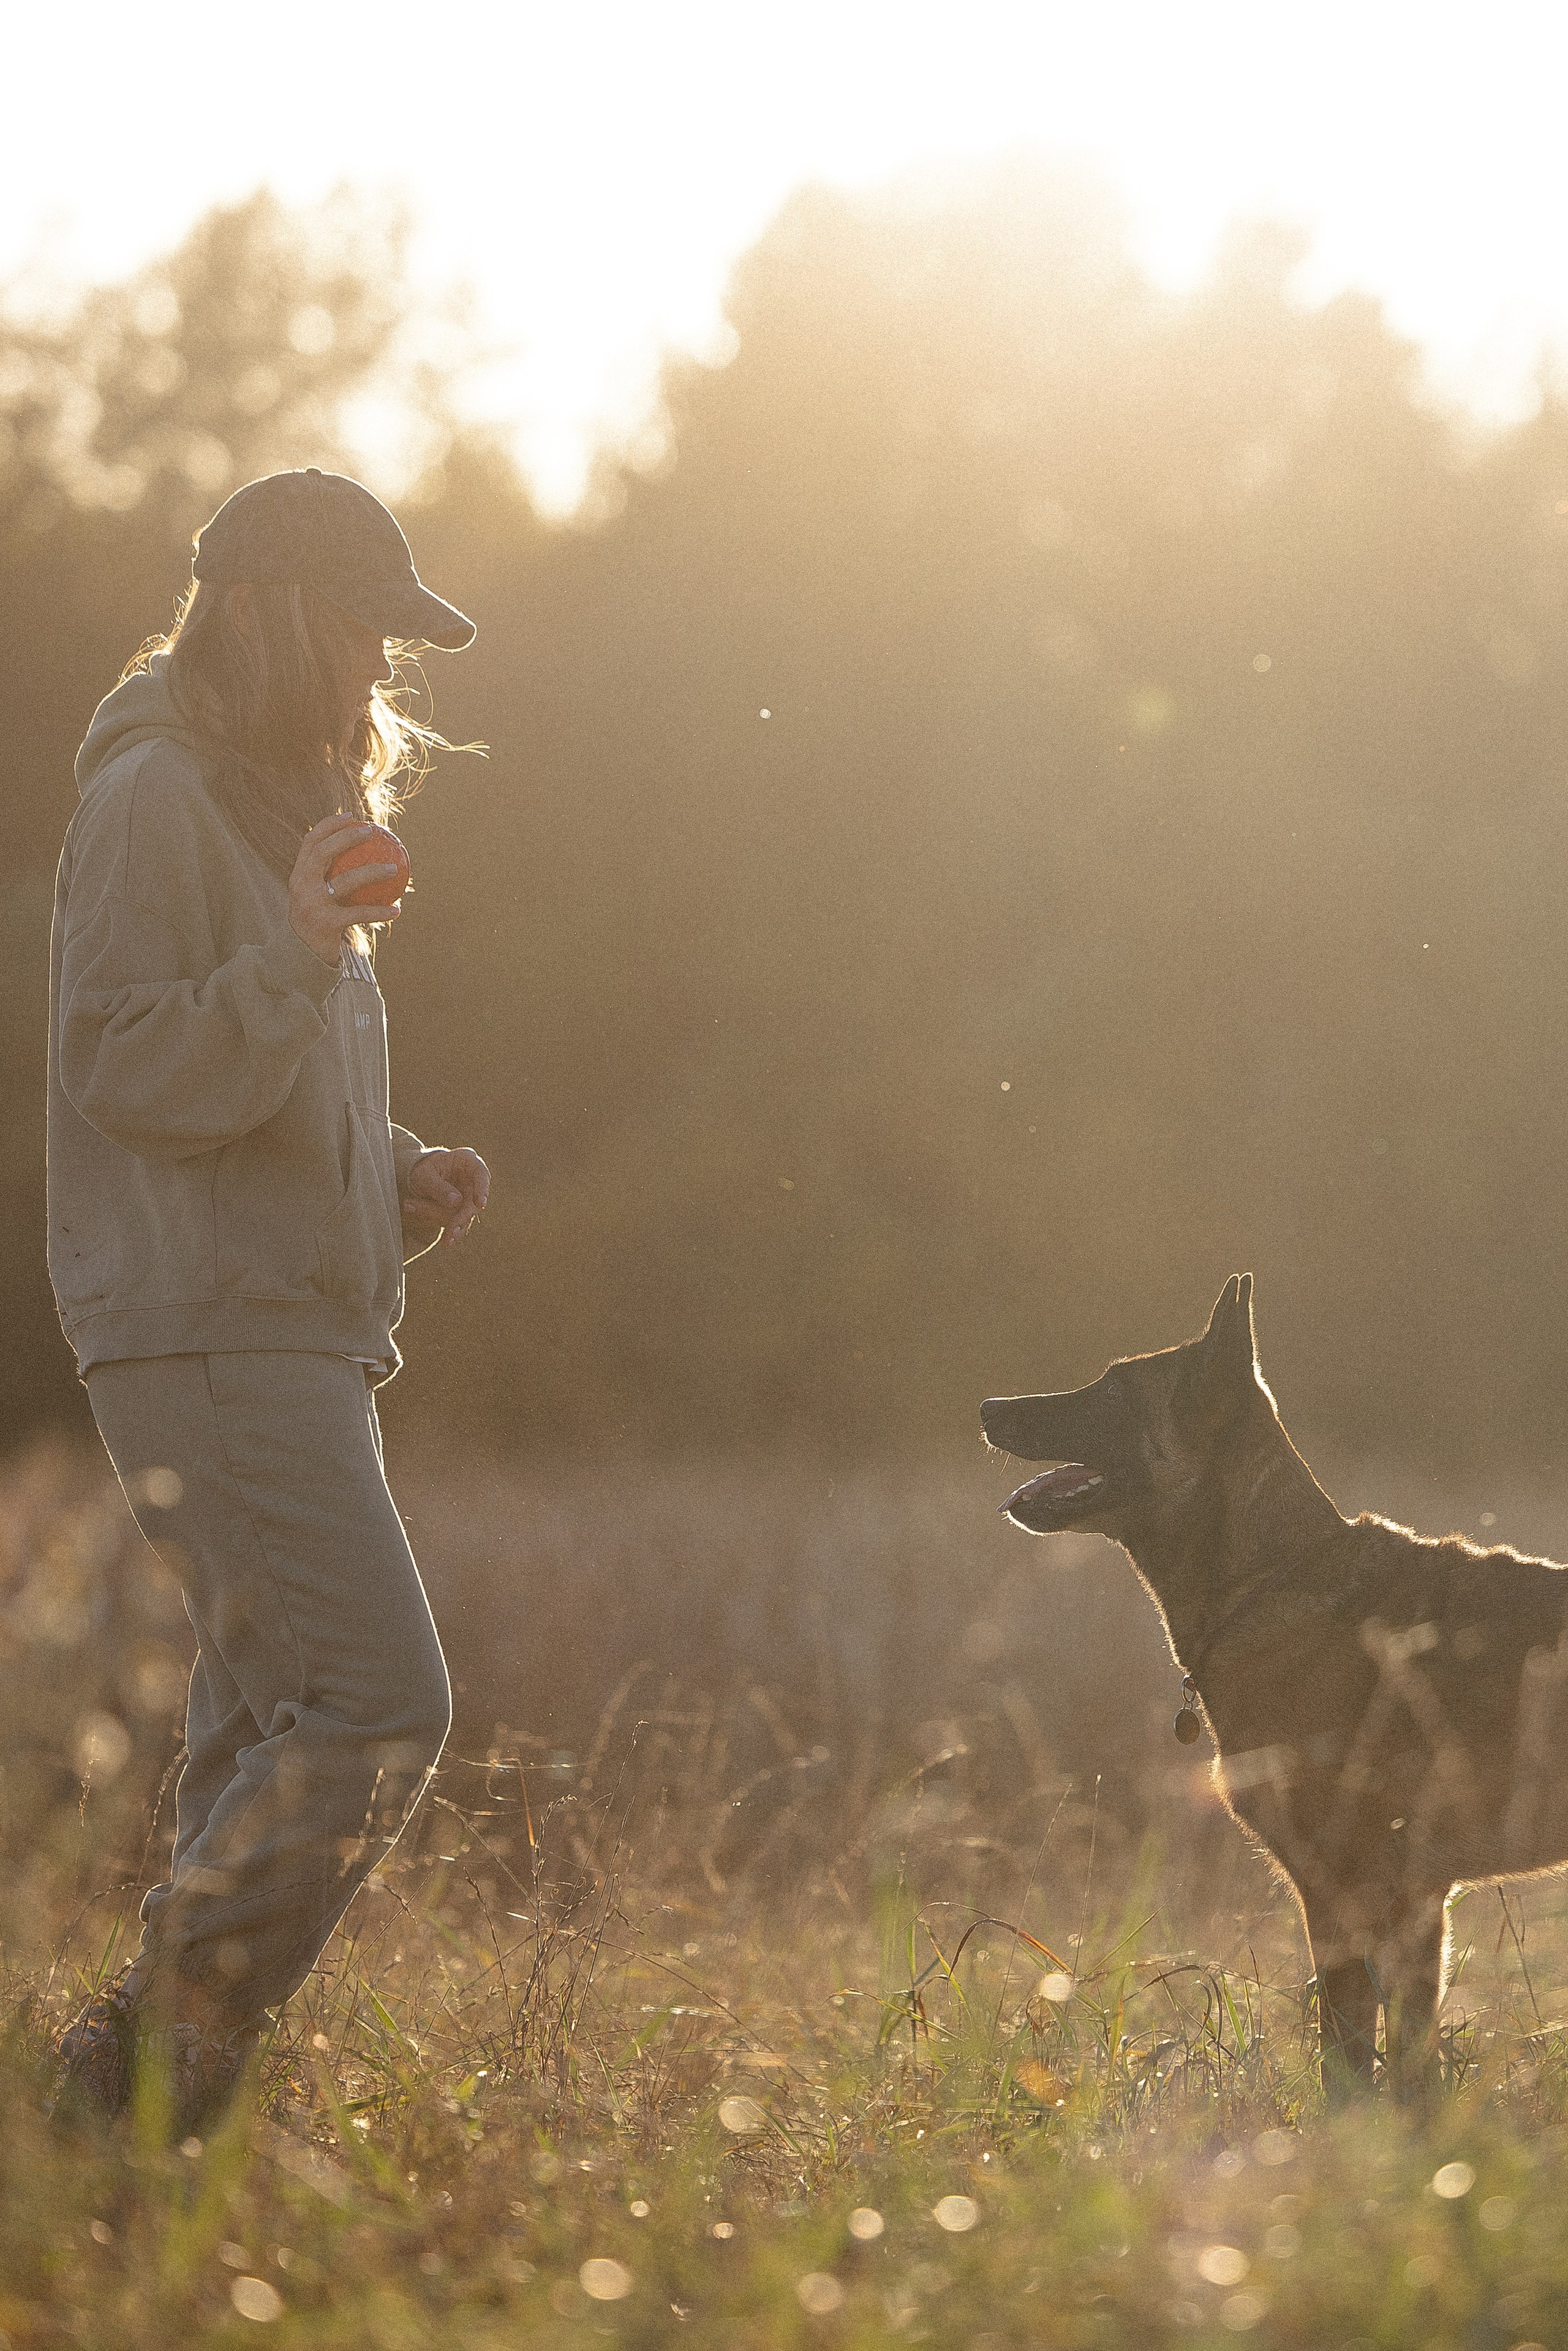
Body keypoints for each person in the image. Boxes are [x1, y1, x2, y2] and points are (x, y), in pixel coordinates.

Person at [46, 467, 490, 2134]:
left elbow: (256, 1068)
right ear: (263, 610)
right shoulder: (154, 792)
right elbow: (122, 1064)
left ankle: (145, 2128)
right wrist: (304, 954)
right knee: (380, 1701)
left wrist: (390, 1169)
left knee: (268, 1731)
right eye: (363, 630)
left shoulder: (259, 795)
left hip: (275, 1318)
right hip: (207, 1327)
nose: (381, 671)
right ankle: (129, 2055)